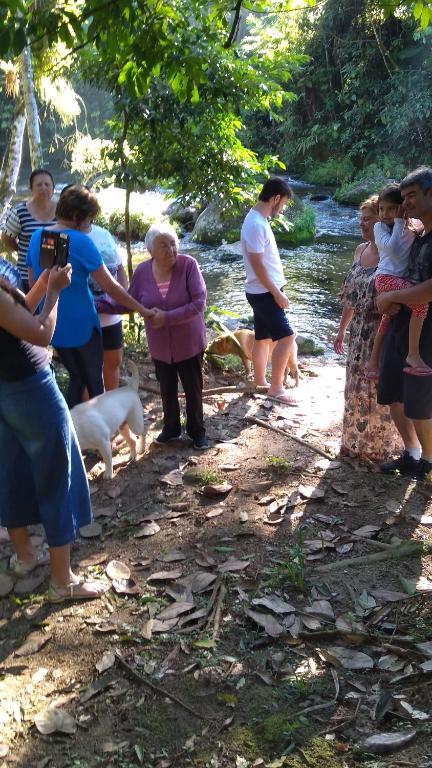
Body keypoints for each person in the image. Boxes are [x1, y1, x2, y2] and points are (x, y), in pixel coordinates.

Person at [0, 260, 106, 602]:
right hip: (29, 387)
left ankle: (26, 556)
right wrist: (57, 293)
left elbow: (14, 317)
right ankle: (63, 581)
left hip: (5, 388)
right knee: (60, 474)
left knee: (11, 469)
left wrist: (43, 286)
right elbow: (41, 331)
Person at [26, 185, 154, 407]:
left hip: (53, 325)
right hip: (83, 327)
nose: (90, 224)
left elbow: (33, 282)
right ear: (77, 217)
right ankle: (91, 436)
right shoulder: (82, 241)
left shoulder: (38, 236)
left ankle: (75, 431)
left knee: (77, 377)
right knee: (93, 384)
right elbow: (111, 287)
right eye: (89, 218)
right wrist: (141, 309)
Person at [97, 222, 209, 450]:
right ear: (150, 251)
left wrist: (167, 317)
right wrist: (98, 304)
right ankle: (171, 428)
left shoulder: (189, 266)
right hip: (160, 346)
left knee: (193, 389)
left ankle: (197, 432)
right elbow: (131, 301)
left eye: (173, 244)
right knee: (166, 388)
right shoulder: (143, 271)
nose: (171, 250)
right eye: (163, 245)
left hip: (189, 343)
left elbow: (199, 304)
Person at [334, 196, 402, 461]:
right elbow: (350, 298)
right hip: (357, 335)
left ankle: (383, 450)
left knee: (378, 391)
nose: (363, 224)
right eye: (360, 219)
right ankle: (356, 445)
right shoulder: (360, 250)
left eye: (368, 219)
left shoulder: (393, 255)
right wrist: (341, 330)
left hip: (381, 334)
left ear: (382, 221)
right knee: (355, 389)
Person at [376, 167, 432, 479]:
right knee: (391, 393)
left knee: (419, 402)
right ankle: (411, 453)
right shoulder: (418, 233)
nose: (405, 202)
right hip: (401, 322)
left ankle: (428, 460)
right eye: (404, 196)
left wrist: (390, 299)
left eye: (411, 196)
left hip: (426, 329)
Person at [240, 176, 298, 406]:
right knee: (287, 336)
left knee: (263, 338)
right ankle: (276, 388)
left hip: (260, 290)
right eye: (283, 203)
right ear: (275, 198)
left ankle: (260, 380)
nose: (282, 208)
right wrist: (276, 292)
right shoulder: (255, 223)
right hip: (264, 292)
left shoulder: (258, 219)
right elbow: (257, 264)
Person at [366, 183, 429, 379]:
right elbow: (392, 249)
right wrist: (400, 222)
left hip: (395, 279)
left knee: (386, 319)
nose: (385, 213)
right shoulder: (379, 227)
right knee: (421, 305)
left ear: (401, 208)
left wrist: (408, 223)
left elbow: (419, 231)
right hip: (385, 278)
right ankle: (413, 354)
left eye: (391, 208)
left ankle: (373, 362)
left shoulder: (409, 227)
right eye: (381, 209)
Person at [86, 222, 128, 390]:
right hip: (83, 318)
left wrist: (122, 298)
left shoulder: (103, 234)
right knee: (88, 370)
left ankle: (111, 411)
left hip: (110, 315)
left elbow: (119, 268)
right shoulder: (62, 235)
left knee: (113, 362)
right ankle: (91, 414)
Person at [1, 169, 56, 292]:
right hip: (27, 277)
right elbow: (6, 238)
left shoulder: (62, 212)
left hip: (56, 276)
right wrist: (25, 251)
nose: (43, 188)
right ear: (31, 188)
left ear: (53, 188)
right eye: (39, 184)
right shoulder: (20, 212)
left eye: (47, 184)